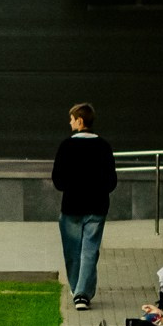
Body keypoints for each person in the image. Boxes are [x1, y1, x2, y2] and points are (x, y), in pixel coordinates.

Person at [53, 102, 117, 311]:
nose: (69, 123)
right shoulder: (104, 146)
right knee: (90, 251)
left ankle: (78, 291)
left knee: (73, 251)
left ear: (79, 121)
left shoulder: (66, 146)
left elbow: (58, 180)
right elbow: (111, 181)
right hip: (97, 206)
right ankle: (83, 292)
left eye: (71, 119)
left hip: (72, 206)